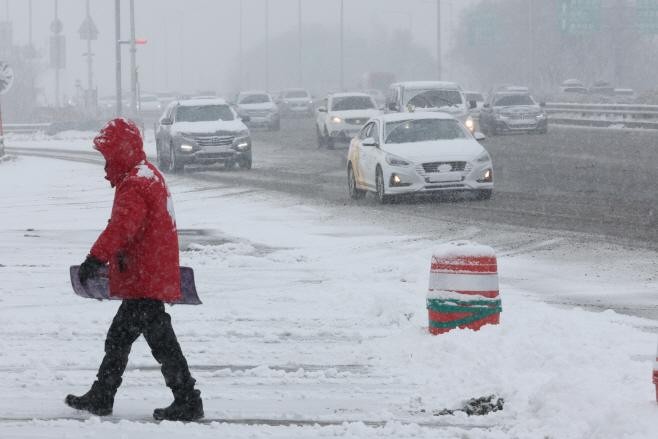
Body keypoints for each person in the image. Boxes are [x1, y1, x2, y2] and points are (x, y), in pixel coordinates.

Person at [65, 118, 203, 421]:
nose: (104, 168)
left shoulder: (136, 183)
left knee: (152, 341)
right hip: (148, 274)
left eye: (107, 159)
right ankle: (105, 394)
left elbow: (121, 228)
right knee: (126, 337)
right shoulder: (147, 175)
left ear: (119, 154)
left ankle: (186, 398)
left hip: (144, 278)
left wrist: (95, 258)